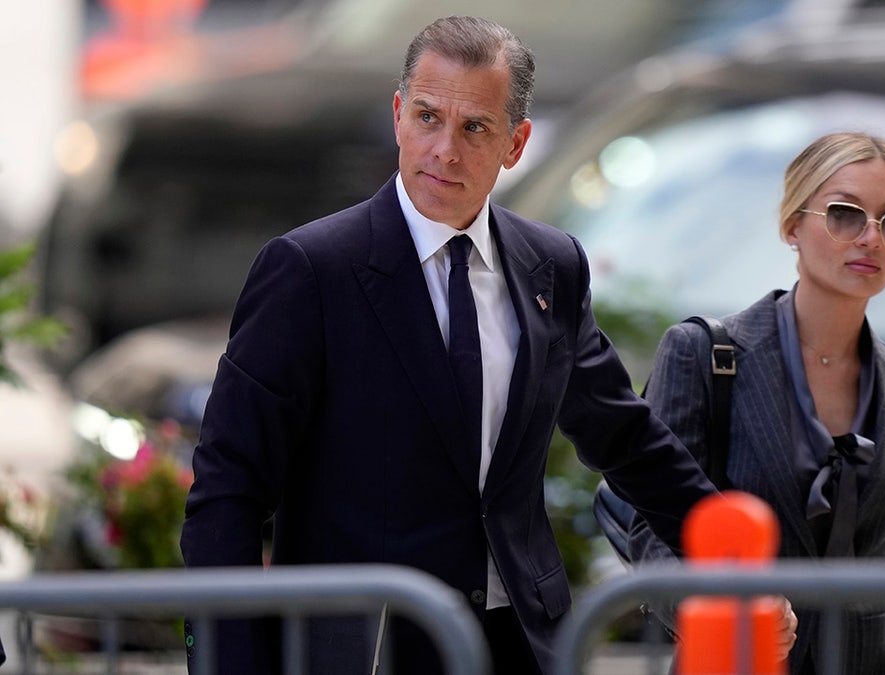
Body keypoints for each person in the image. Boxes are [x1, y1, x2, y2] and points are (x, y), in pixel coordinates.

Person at [179, 15, 720, 675]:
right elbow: (228, 488)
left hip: (521, 641)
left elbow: (625, 437)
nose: (445, 151)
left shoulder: (550, 265)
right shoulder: (311, 270)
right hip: (367, 648)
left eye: (475, 128)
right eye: (430, 118)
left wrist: (741, 552)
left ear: (515, 143)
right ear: (400, 115)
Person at [629, 131, 885, 674]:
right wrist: (726, 615)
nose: (871, 237)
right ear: (792, 226)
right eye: (845, 214)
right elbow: (650, 533)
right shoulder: (704, 355)